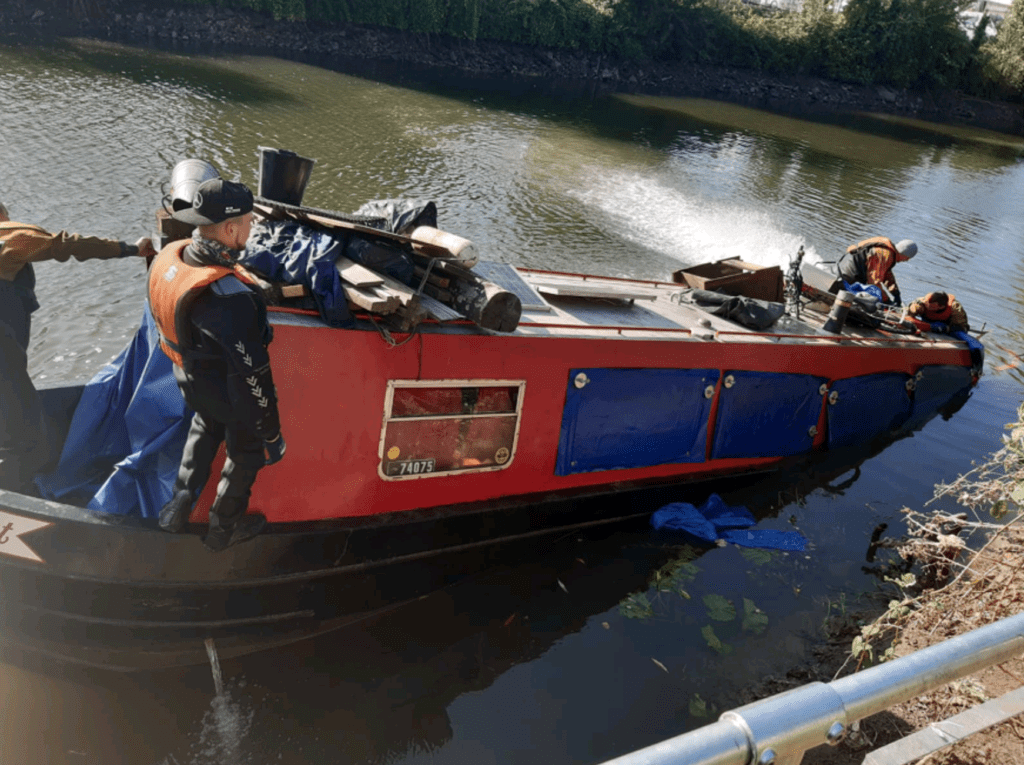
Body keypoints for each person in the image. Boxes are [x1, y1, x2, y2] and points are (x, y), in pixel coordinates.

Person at [148, 178, 286, 552]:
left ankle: (178, 504)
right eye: (249, 222)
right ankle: (223, 531)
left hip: (189, 380)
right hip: (229, 392)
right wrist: (270, 433)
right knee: (245, 454)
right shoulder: (229, 299)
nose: (251, 228)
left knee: (205, 425)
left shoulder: (171, 258)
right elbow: (254, 377)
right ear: (229, 229)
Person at [0, 202, 156, 492]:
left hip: (8, 353)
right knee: (26, 439)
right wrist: (130, 248)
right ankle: (20, 503)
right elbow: (67, 245)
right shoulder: (12, 234)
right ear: (4, 215)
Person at [836, 237, 917, 306]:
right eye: (907, 258)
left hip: (844, 267)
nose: (906, 261)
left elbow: (886, 274)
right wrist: (886, 301)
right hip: (849, 276)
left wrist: (896, 293)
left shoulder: (889, 251)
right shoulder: (885, 255)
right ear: (904, 255)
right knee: (875, 301)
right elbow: (874, 282)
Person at [905, 291, 970, 334]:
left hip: (945, 324)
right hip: (927, 320)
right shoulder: (924, 301)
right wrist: (914, 309)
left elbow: (963, 327)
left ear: (941, 307)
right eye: (927, 303)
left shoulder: (955, 308)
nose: (927, 305)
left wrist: (945, 328)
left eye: (931, 305)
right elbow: (910, 309)